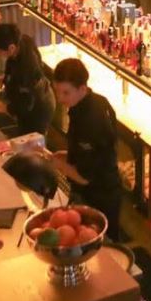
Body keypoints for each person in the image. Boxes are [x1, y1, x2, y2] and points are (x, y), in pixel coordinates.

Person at [50, 58, 123, 239]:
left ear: (82, 88)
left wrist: (55, 163)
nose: (60, 98)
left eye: (66, 93)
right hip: (107, 185)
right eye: (57, 91)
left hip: (99, 196)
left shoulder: (90, 120)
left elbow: (84, 177)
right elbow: (96, 152)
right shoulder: (96, 101)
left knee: (99, 243)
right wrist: (66, 155)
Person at [0, 23, 55, 136]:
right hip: (36, 94)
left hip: (38, 107)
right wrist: (6, 77)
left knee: (31, 140)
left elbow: (21, 107)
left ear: (11, 48)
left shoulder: (26, 69)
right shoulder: (22, 40)